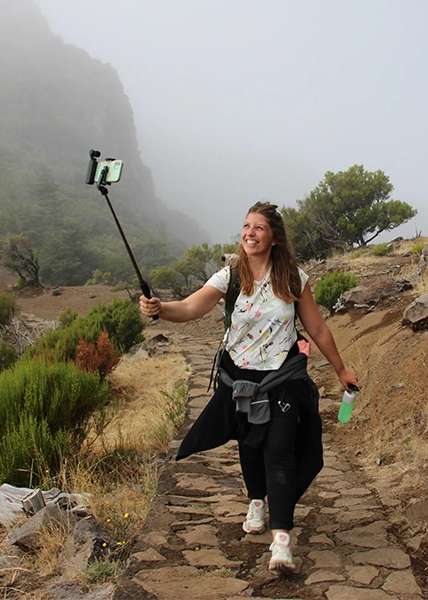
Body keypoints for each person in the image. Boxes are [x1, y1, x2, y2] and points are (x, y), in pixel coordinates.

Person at [138, 201, 360, 573]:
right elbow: (191, 308)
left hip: (284, 377)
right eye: (246, 226)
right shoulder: (229, 277)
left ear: (273, 237)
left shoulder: (293, 278)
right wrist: (160, 309)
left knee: (279, 450)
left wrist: (340, 368)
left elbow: (317, 328)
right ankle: (257, 499)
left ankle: (282, 544)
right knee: (250, 443)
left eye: (259, 227)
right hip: (240, 378)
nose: (250, 233)